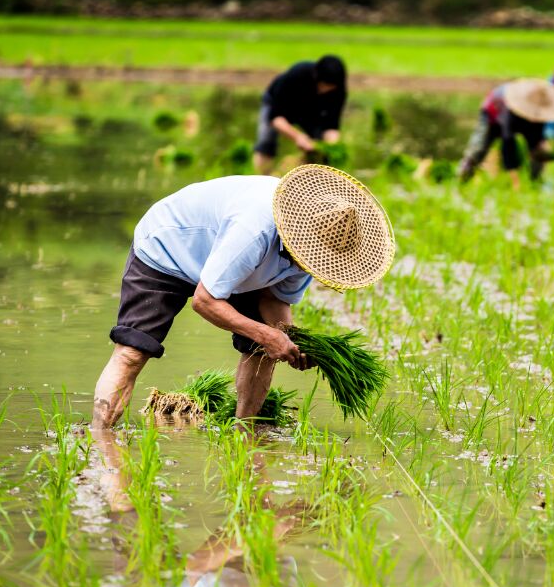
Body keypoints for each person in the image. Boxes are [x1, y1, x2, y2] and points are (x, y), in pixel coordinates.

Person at [90, 164, 396, 431]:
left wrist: (289, 339)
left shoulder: (315, 251)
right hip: (168, 248)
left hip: (235, 267)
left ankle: (244, 432)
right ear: (296, 234)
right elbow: (205, 301)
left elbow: (275, 301)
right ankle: (99, 440)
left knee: (263, 351)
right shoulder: (254, 229)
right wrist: (266, 334)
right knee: (132, 352)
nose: (310, 265)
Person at [457, 78, 554, 190]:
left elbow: (536, 140)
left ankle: (536, 182)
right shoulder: (510, 110)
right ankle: (461, 180)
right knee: (479, 148)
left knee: (538, 151)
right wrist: (515, 181)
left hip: (518, 118)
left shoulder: (540, 115)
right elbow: (508, 145)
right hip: (493, 114)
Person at [254, 55, 348, 174]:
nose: (326, 91)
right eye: (324, 86)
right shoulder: (297, 75)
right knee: (266, 143)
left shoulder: (338, 90)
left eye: (331, 88)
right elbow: (276, 118)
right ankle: (263, 178)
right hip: (279, 104)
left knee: (317, 149)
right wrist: (298, 136)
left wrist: (330, 147)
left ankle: (307, 182)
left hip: (310, 109)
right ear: (317, 78)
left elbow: (331, 125)